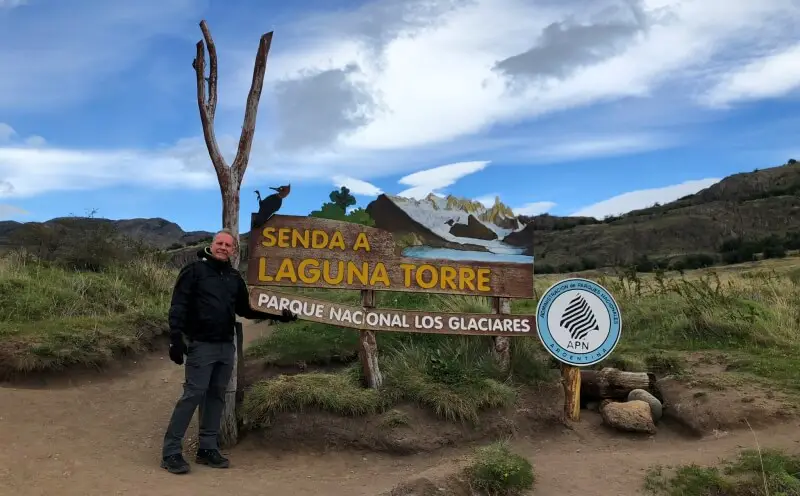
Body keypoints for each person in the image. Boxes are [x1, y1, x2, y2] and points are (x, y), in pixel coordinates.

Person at [160, 229, 296, 474]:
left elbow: (246, 309)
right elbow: (178, 306)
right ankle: (171, 452)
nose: (223, 247)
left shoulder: (234, 278)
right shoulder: (193, 272)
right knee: (193, 395)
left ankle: (207, 448)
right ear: (212, 245)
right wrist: (175, 339)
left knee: (216, 396)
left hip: (225, 346)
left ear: (234, 251)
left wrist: (278, 317)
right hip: (201, 345)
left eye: (228, 245)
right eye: (219, 243)